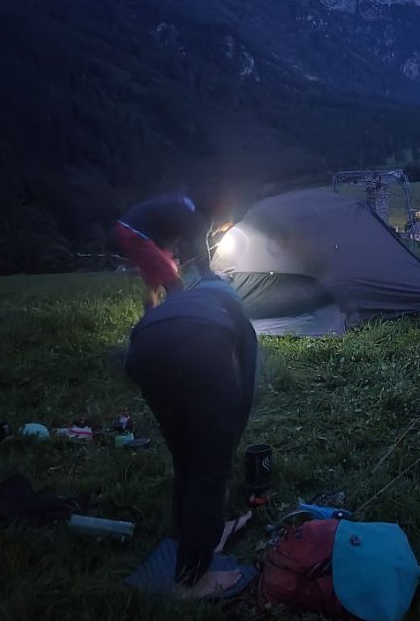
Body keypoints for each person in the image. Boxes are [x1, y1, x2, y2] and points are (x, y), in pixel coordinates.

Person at [125, 272, 258, 598]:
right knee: (210, 472)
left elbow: (133, 366)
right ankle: (192, 578)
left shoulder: (184, 298)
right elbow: (246, 389)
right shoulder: (237, 315)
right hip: (202, 347)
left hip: (144, 345)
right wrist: (225, 444)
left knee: (184, 457)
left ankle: (189, 533)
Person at [112, 192, 212, 311]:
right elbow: (198, 243)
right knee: (175, 284)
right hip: (135, 233)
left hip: (129, 230)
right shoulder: (187, 212)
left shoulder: (180, 205)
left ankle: (150, 317)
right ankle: (172, 319)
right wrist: (207, 273)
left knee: (153, 283)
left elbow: (172, 239)